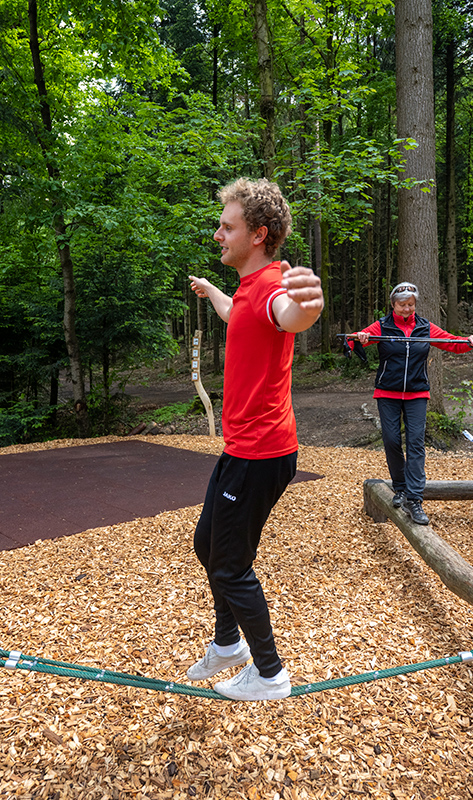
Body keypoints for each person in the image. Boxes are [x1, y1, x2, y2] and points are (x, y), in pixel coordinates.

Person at [185, 178, 323, 701]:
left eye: (228, 226)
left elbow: (290, 315)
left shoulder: (272, 285)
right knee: (207, 545)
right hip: (241, 448)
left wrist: (309, 306)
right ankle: (228, 644)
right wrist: (213, 291)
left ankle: (269, 674)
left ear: (259, 234)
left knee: (229, 564)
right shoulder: (247, 285)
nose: (218, 233)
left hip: (262, 452)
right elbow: (237, 314)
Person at [350, 283, 473, 525]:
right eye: (402, 305)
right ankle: (399, 488)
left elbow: (452, 342)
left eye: (411, 304)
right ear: (393, 305)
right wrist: (360, 338)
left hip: (417, 393)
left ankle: (415, 498)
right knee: (391, 441)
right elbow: (352, 343)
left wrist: (469, 341)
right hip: (387, 393)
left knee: (415, 443)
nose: (407, 309)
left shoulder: (424, 327)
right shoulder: (382, 325)